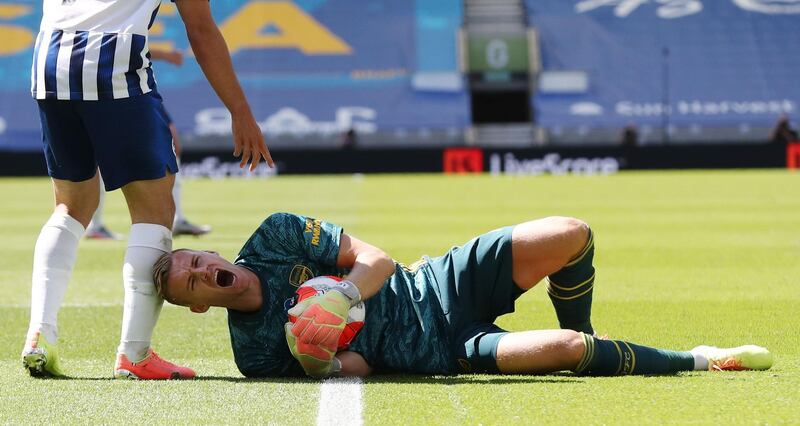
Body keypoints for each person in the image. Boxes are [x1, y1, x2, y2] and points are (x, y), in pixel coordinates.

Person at [152, 213, 772, 378]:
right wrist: (322, 361)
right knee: (564, 349)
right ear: (197, 306)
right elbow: (363, 366)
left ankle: (594, 330)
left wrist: (341, 294)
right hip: (444, 350)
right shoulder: (254, 357)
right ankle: (702, 358)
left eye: (199, 260)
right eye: (191, 282)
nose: (204, 271)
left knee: (571, 235)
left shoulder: (274, 236)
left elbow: (378, 260)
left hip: (436, 281)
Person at [23, 0, 272, 380]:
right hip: (109, 62)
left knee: (72, 208)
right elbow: (201, 31)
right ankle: (134, 355)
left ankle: (40, 333)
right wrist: (240, 111)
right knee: (154, 212)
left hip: (49, 60)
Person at [86, 49, 211, 240]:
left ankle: (177, 218)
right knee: (100, 152)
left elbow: (132, 46)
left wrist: (165, 56)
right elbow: (123, 46)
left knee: (172, 142)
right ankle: (94, 224)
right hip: (117, 91)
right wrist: (167, 55)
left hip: (135, 89)